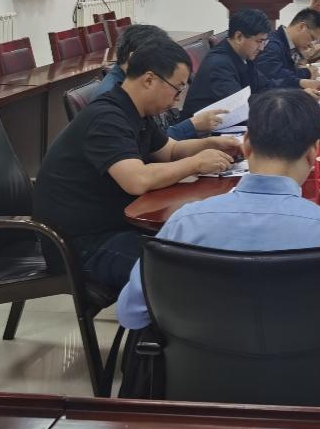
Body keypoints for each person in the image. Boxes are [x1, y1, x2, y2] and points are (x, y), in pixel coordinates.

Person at [117, 88, 320, 331]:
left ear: (247, 145)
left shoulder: (184, 224)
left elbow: (131, 313)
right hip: (318, 383)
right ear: (314, 152)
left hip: (201, 385)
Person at [32, 37, 240, 293]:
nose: (177, 100)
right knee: (188, 272)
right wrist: (196, 163)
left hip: (117, 226)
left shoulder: (136, 111)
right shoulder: (106, 118)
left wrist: (210, 144)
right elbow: (137, 180)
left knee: (202, 248)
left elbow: (170, 151)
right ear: (149, 79)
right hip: (83, 245)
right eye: (177, 89)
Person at [105, 24, 221, 140]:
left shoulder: (146, 85)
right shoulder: (115, 101)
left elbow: (158, 140)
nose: (165, 63)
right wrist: (192, 126)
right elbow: (149, 146)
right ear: (134, 58)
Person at [180, 9, 272, 117]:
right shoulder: (219, 64)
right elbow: (239, 106)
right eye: (259, 41)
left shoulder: (243, 54)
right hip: (201, 127)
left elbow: (264, 86)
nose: (261, 48)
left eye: (264, 42)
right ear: (239, 37)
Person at [256, 8, 320, 93]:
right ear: (301, 27)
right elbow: (276, 76)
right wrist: (307, 73)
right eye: (311, 38)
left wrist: (303, 58)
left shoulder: (291, 45)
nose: (311, 45)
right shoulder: (272, 45)